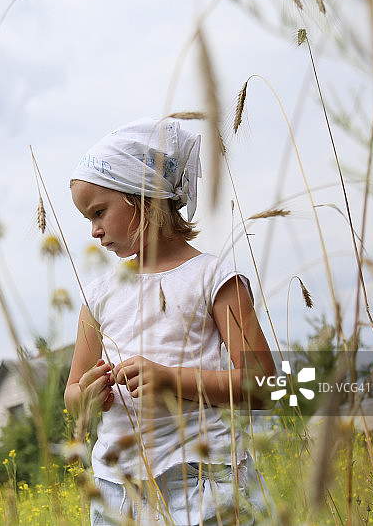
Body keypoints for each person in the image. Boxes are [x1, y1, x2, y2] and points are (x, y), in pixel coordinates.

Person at [63, 117, 278, 525]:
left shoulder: (214, 278)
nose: (94, 231)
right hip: (118, 488)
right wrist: (86, 395)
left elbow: (262, 384)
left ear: (142, 196)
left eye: (99, 212)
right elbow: (73, 391)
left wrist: (168, 380)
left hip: (204, 480)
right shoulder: (98, 295)